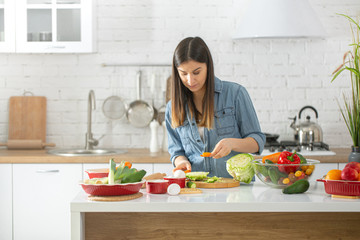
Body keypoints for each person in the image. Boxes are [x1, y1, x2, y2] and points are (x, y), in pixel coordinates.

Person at [165, 37, 265, 178]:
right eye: (183, 73)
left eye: (196, 72)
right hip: (196, 190)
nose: (190, 80)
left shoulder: (235, 94)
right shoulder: (173, 107)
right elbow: (176, 151)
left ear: (208, 66)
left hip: (235, 187)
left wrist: (232, 143)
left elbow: (257, 141)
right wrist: (181, 162)